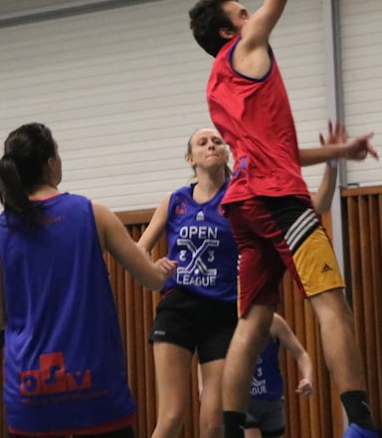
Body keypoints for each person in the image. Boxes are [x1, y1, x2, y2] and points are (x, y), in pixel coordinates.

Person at [187, 0, 382, 438]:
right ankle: (361, 426)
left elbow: (275, 150)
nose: (256, 16)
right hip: (278, 201)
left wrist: (338, 153)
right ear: (229, 29)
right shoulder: (246, 51)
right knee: (331, 303)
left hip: (245, 204)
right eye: (245, 13)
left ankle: (228, 426)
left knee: (253, 318)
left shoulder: (217, 84)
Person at [137, 124, 341, 438]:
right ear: (191, 158)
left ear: (227, 152)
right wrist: (155, 268)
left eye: (217, 141)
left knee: (215, 421)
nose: (211, 145)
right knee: (171, 416)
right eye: (202, 143)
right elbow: (138, 251)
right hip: (178, 307)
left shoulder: (243, 197)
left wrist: (331, 163)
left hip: (222, 312)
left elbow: (317, 205)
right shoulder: (174, 201)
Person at [0, 122, 176, 438]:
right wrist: (164, 270)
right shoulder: (92, 213)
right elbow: (153, 280)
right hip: (94, 389)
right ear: (51, 164)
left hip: (30, 391)